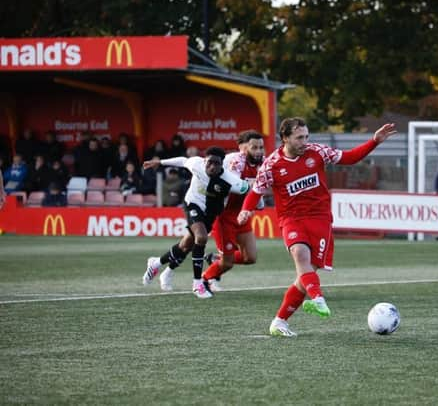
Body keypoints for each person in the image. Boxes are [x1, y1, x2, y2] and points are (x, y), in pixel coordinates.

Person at [237, 118, 397, 337]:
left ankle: (279, 321)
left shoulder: (318, 152)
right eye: (299, 137)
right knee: (300, 255)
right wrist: (247, 209)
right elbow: (256, 190)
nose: (305, 141)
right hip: (291, 219)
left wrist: (374, 141)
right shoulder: (272, 164)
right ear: (285, 138)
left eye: (306, 136)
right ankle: (319, 299)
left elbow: (349, 158)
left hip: (320, 218)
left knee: (306, 274)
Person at [141, 147, 249, 298]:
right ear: (204, 160)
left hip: (210, 213)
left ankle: (156, 263)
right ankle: (197, 283)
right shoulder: (196, 164)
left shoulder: (230, 179)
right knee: (201, 237)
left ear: (221, 165)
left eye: (216, 164)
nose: (212, 166)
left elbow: (249, 189)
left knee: (186, 245)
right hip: (192, 204)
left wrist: (259, 198)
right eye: (209, 162)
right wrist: (160, 162)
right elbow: (183, 161)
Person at [200, 130, 265, 292]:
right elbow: (233, 187)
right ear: (244, 149)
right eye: (254, 147)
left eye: (261, 147)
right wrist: (252, 188)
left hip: (242, 214)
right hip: (224, 216)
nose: (258, 151)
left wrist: (257, 201)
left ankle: (215, 259)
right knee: (227, 263)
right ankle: (204, 280)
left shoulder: (263, 163)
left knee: (250, 257)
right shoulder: (236, 162)